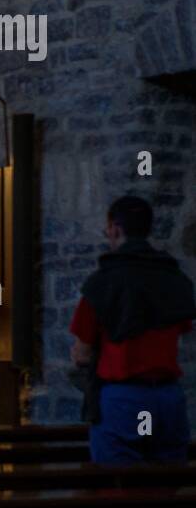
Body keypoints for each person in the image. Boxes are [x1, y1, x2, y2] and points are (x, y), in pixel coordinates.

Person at [70, 196, 195, 464]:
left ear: (115, 228)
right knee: (167, 494)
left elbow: (82, 353)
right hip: (167, 399)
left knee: (120, 492)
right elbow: (181, 328)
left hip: (123, 399)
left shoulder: (102, 284)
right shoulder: (174, 278)